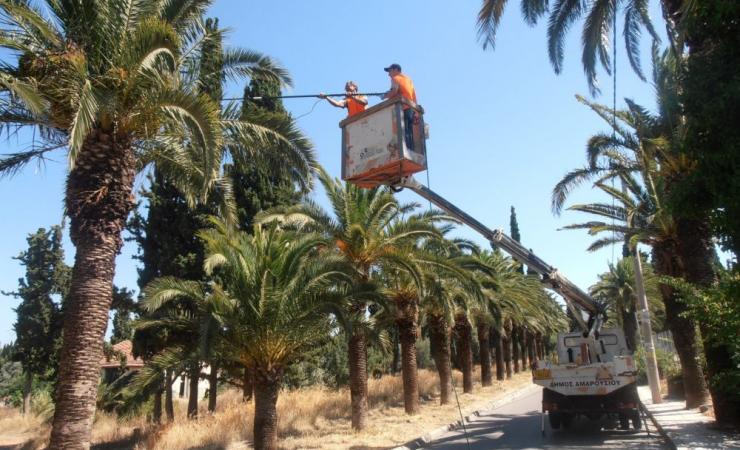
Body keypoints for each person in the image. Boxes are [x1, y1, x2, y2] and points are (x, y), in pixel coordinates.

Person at [383, 63, 420, 150]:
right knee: (409, 131)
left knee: (402, 130)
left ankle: (405, 149)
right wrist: (416, 111)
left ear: (396, 70)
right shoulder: (408, 80)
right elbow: (414, 96)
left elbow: (394, 91)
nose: (388, 74)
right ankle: (411, 149)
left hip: (402, 108)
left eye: (390, 71)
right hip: (410, 108)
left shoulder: (395, 78)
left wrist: (385, 96)